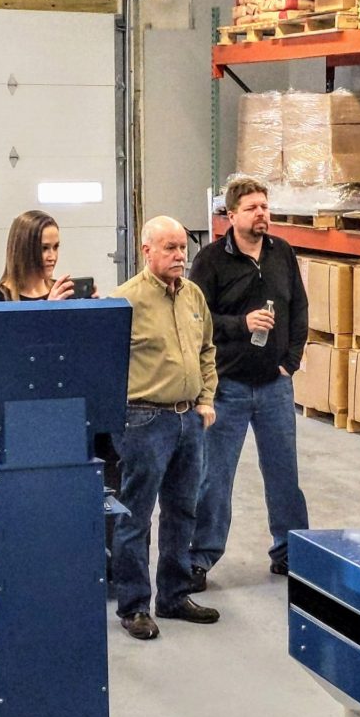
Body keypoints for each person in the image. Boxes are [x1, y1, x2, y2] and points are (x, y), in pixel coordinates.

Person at [187, 176, 310, 584]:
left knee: (283, 474)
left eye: (264, 207)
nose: (261, 214)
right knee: (215, 478)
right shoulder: (210, 261)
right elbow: (197, 318)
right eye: (252, 208)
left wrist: (290, 361)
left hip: (275, 386)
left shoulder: (282, 253)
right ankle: (201, 557)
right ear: (231, 214)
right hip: (228, 387)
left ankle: (290, 551)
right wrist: (242, 324)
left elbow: (299, 309)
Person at [111, 216, 219, 640]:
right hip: (143, 419)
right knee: (135, 515)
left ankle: (174, 595)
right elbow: (106, 364)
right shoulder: (124, 301)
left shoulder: (193, 295)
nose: (180, 255)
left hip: (188, 418)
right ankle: (134, 605)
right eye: (170, 248)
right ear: (146, 251)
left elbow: (207, 349)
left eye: (182, 248)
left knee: (182, 510)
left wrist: (206, 399)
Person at [0, 209, 90, 302]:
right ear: (24, 249)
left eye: (55, 247)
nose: (52, 257)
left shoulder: (62, 294)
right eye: (44, 248)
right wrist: (49, 310)